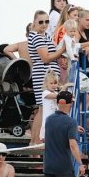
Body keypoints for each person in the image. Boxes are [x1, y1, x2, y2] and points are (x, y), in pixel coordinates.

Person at [28, 10, 67, 145]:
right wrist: (62, 51)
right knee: (42, 108)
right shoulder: (37, 37)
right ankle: (35, 141)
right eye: (40, 22)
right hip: (43, 73)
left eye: (46, 21)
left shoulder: (43, 36)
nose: (44, 24)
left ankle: (35, 141)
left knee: (41, 108)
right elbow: (45, 58)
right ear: (34, 22)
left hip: (46, 72)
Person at [39, 71, 61, 142]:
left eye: (55, 83)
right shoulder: (45, 93)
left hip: (55, 120)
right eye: (51, 83)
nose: (53, 85)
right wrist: (65, 88)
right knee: (47, 140)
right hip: (48, 122)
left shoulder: (56, 93)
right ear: (46, 84)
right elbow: (58, 96)